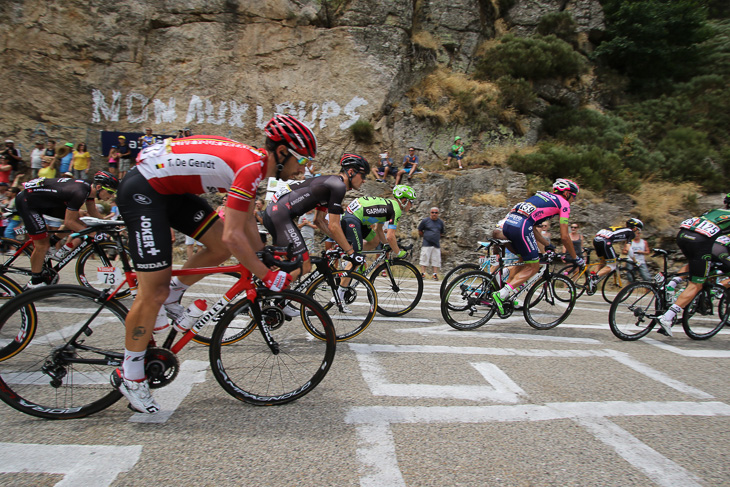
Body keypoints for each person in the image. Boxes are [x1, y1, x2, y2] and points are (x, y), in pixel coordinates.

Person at [112, 114, 316, 414]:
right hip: (144, 189)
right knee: (151, 292)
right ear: (283, 152)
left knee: (217, 247)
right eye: (302, 159)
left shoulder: (255, 166)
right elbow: (236, 236)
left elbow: (245, 219)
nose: (303, 169)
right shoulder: (250, 168)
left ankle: (173, 292)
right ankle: (130, 375)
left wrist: (262, 255)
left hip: (169, 189)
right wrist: (267, 277)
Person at [263, 152, 369, 281]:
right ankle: (273, 292)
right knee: (305, 265)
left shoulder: (330, 183)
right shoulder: (338, 186)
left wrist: (341, 242)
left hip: (275, 213)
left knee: (292, 267)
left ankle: (273, 293)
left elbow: (319, 221)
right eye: (362, 175)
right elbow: (334, 226)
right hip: (279, 215)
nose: (364, 180)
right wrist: (351, 252)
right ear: (351, 172)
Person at [492, 178, 582, 313]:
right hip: (521, 227)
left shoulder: (542, 196)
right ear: (567, 194)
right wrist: (575, 258)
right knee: (534, 266)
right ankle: (501, 294)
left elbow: (532, 227)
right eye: (573, 197)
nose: (573, 201)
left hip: (509, 224)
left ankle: (498, 279)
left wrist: (547, 244)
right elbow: (564, 236)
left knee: (523, 259)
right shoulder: (564, 204)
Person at [15, 171, 118, 288]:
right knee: (42, 245)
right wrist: (94, 234)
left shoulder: (89, 188)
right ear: (99, 187)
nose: (112, 196)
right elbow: (69, 222)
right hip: (28, 202)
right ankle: (34, 281)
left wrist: (110, 224)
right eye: (110, 192)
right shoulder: (80, 192)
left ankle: (53, 243)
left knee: (80, 218)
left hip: (43, 201)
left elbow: (92, 211)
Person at [656, 195, 730, 337]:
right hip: (702, 242)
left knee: (694, 262)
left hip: (683, 235)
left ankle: (671, 284)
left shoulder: (715, 211)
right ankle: (667, 318)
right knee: (696, 284)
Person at [340, 184, 416, 265]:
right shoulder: (396, 209)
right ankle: (350, 262)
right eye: (411, 202)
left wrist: (386, 244)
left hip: (356, 219)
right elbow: (390, 236)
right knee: (357, 259)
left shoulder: (389, 206)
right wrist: (398, 252)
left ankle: (351, 259)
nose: (412, 205)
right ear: (404, 201)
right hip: (353, 219)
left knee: (375, 241)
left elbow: (378, 229)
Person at [591, 218, 643, 291]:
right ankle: (593, 278)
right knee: (611, 266)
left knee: (602, 262)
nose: (638, 232)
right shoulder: (631, 233)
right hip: (605, 242)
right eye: (638, 230)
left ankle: (590, 281)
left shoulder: (621, 229)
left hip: (596, 239)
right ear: (635, 228)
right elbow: (629, 249)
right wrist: (635, 261)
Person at [418, 206, 444, 280]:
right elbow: (420, 230)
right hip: (426, 243)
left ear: (438, 213)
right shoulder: (425, 221)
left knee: (436, 259)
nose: (434, 214)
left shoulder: (440, 222)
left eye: (436, 212)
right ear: (430, 213)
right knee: (424, 258)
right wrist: (426, 236)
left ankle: (434, 274)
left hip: (436, 244)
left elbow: (441, 232)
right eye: (433, 212)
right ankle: (423, 273)